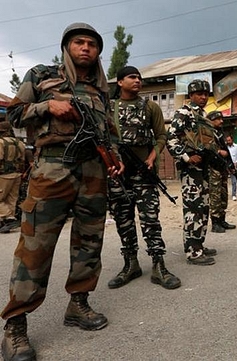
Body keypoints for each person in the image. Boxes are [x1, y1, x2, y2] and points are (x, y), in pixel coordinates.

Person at [1, 22, 125, 361]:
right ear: (67, 47)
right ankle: (15, 327)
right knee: (35, 247)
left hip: (93, 174)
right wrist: (47, 107)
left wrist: (114, 157)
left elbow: (109, 130)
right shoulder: (42, 75)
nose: (86, 48)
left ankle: (78, 305)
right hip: (52, 169)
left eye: (92, 44)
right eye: (79, 42)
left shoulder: (101, 90)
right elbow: (13, 112)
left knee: (89, 242)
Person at [106, 66, 181, 290]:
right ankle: (131, 264)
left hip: (144, 173)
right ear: (120, 82)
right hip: (118, 175)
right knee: (123, 221)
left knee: (150, 220)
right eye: (132, 77)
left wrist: (152, 156)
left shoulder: (150, 107)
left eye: (139, 78)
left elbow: (161, 136)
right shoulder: (110, 108)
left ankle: (159, 265)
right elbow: (104, 138)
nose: (137, 80)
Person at [167, 79, 218, 266]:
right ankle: (193, 252)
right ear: (191, 96)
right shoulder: (183, 113)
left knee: (203, 208)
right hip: (191, 170)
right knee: (193, 209)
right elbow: (171, 139)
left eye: (206, 94)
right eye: (199, 94)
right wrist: (187, 157)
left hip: (203, 169)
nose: (203, 97)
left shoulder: (202, 114)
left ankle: (198, 244)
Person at [206, 111, 236, 233]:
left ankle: (222, 219)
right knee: (215, 195)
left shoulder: (220, 133)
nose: (221, 121)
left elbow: (225, 149)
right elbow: (206, 147)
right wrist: (218, 152)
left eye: (221, 118)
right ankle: (215, 222)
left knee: (223, 194)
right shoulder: (207, 131)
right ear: (211, 120)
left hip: (222, 167)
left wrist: (230, 164)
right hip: (213, 168)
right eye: (218, 119)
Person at [0, 117, 25, 233]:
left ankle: (8, 217)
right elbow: (22, 159)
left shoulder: (1, 143)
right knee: (11, 199)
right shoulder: (19, 143)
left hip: (3, 175)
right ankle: (6, 222)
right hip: (16, 174)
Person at [226, 135, 237, 201]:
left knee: (234, 181)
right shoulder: (225, 147)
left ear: (232, 140)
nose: (228, 142)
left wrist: (236, 165)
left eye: (229, 140)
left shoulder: (236, 147)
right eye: (227, 140)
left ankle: (234, 195)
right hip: (225, 166)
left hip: (233, 166)